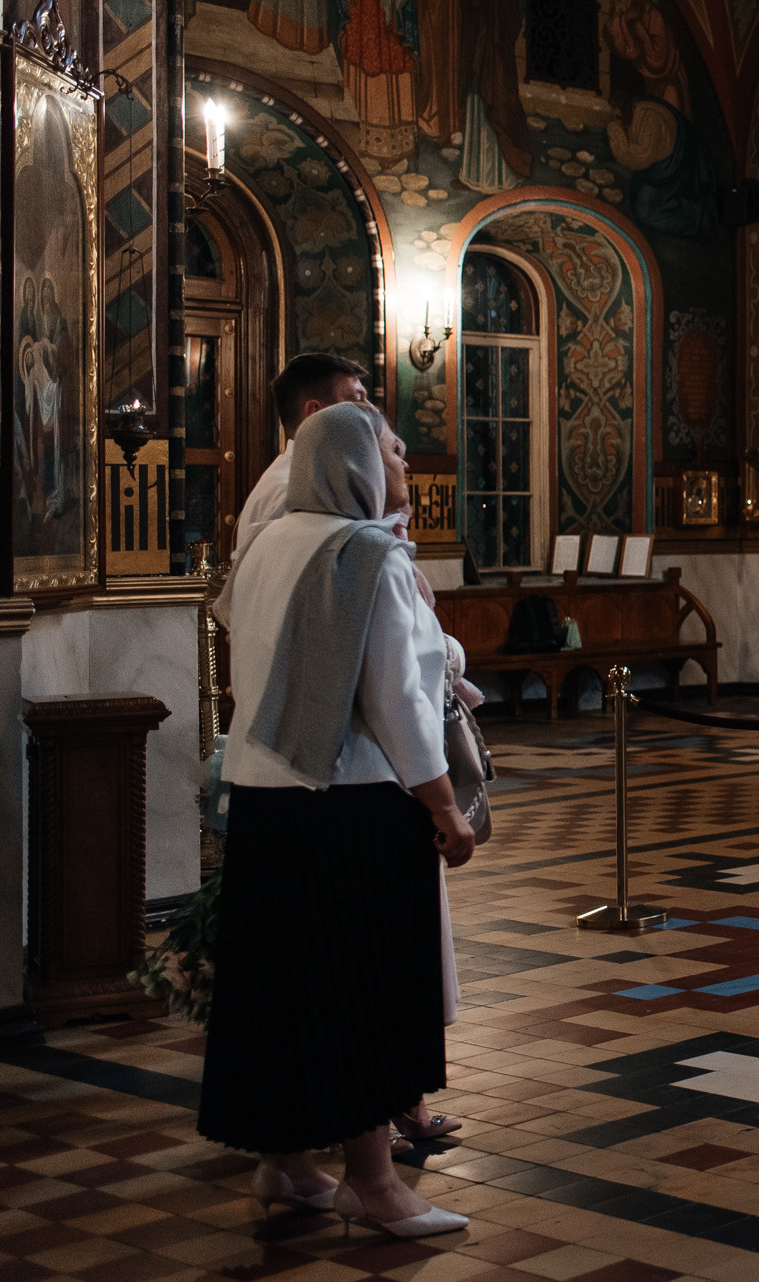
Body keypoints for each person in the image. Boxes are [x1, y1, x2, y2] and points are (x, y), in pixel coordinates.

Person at [200, 402, 473, 1239]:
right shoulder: (368, 557)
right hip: (353, 802)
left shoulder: (268, 546)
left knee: (283, 988)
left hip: (265, 802)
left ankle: (284, 1161)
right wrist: (444, 804)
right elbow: (395, 700)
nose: (405, 467)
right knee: (363, 989)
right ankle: (374, 1184)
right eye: (394, 451)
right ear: (355, 462)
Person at [231, 354, 372, 565]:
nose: (371, 409)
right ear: (315, 412)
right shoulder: (293, 491)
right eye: (358, 399)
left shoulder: (306, 478)